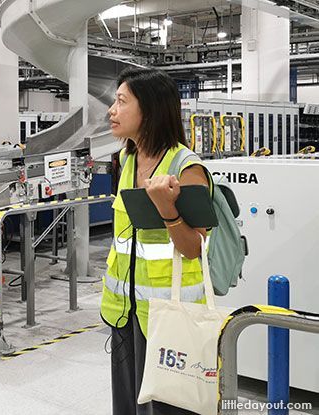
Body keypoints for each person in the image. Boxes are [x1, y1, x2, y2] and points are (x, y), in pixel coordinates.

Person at [101, 67, 211, 415]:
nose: (112, 111)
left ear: (149, 109)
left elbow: (193, 247)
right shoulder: (125, 159)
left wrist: (168, 210)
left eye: (121, 102)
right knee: (129, 401)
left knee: (168, 406)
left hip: (171, 314)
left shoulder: (186, 167)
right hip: (126, 310)